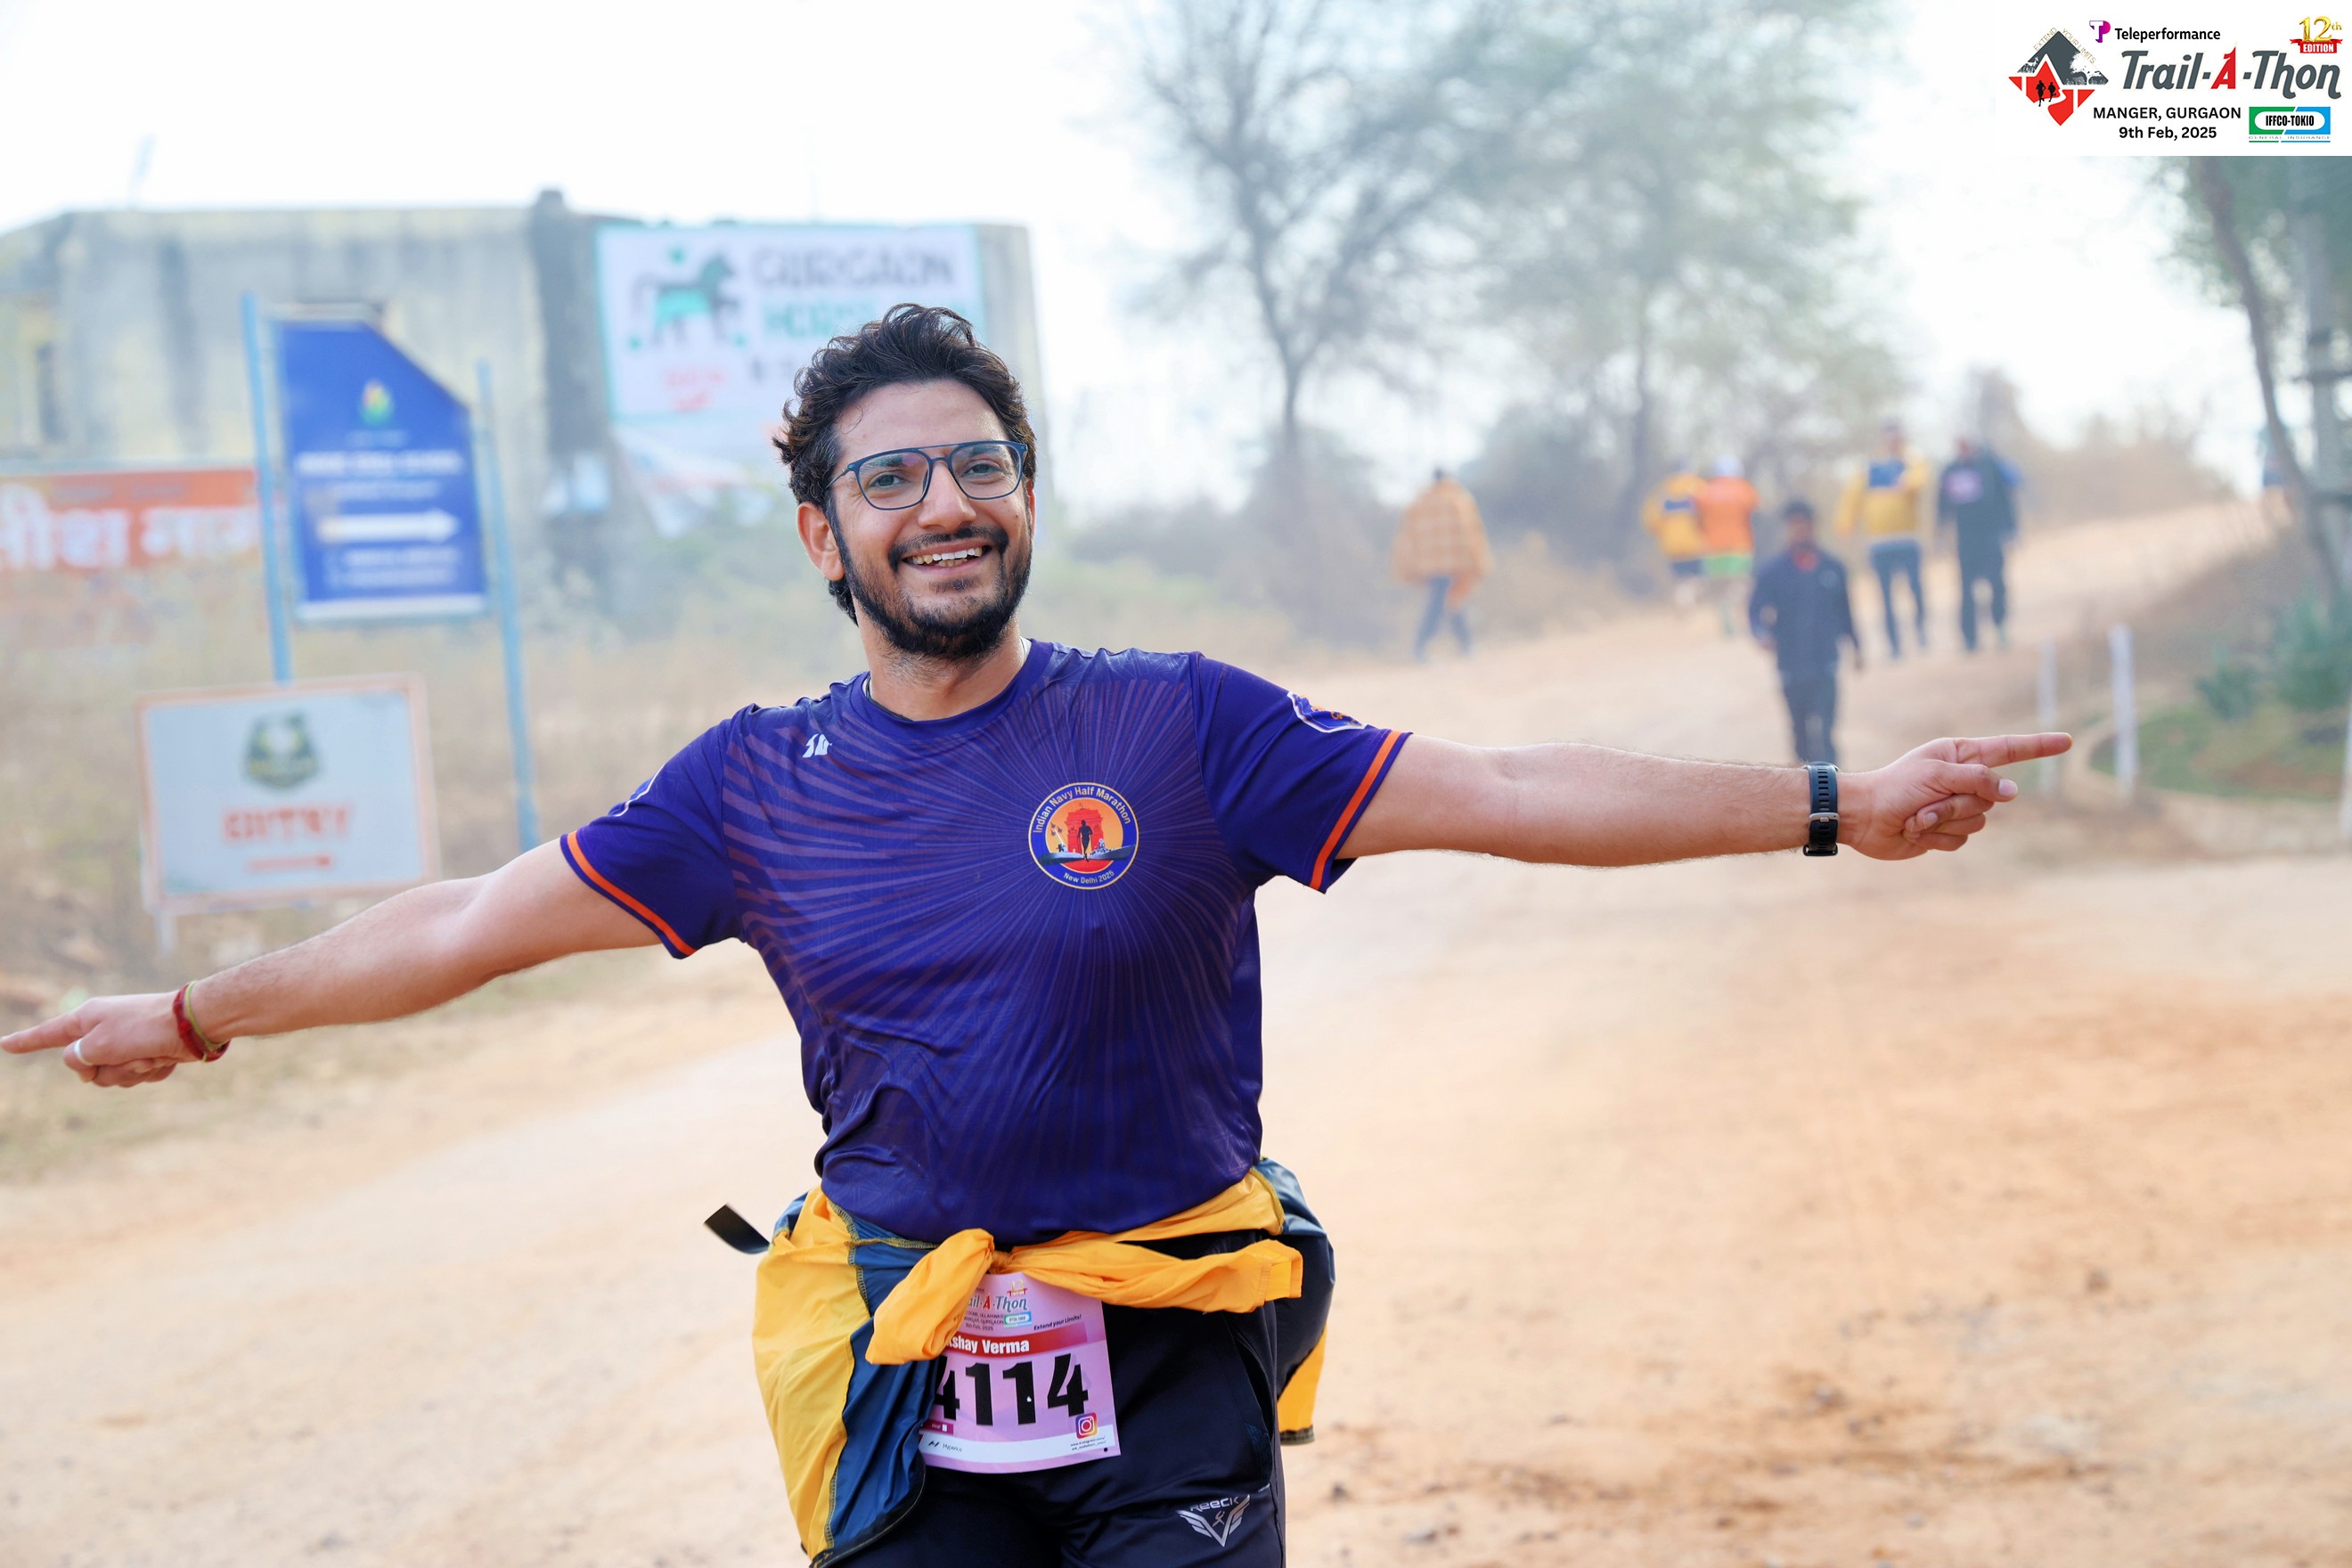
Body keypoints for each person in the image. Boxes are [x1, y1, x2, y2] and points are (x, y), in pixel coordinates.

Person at [4, 306, 2068, 1568]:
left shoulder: (1185, 726)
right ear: (823, 533)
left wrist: (1837, 801)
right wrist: (194, 1012)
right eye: (890, 474)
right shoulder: (749, 783)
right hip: (905, 1350)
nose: (944, 501)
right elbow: (467, 917)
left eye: (979, 462)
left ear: (1024, 497)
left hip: (1172, 1339)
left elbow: (1514, 789)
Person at [1750, 499, 1862, 766]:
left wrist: (1857, 648)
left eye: (1804, 524)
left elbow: (1846, 612)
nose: (1799, 530)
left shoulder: (1833, 567)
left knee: (1827, 731)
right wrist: (1761, 634)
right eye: (1793, 525)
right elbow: (1754, 610)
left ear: (1813, 526)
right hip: (1791, 663)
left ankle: (1834, 783)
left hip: (1825, 661)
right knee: (1799, 733)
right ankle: (1803, 784)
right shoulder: (1772, 572)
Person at [1835, 419, 1931, 658]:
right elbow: (1852, 497)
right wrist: (1845, 524)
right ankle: (1894, 644)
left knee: (1915, 589)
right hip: (1879, 542)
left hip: (1907, 538)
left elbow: (1919, 481)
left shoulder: (1912, 460)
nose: (1893, 441)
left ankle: (1921, 629)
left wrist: (1904, 483)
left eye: (1896, 436)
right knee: (1885, 596)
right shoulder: (1871, 466)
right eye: (1889, 436)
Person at [1392, 467, 1493, 659]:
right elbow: (1472, 531)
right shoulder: (1458, 499)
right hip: (1455, 563)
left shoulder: (1419, 502)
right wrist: (1478, 560)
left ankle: (1465, 646)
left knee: (1452, 602)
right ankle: (1421, 647)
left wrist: (1410, 565)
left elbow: (1408, 537)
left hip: (1429, 565)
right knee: (1441, 604)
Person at [1936, 436, 2020, 653]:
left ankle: (2000, 626)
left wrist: (2011, 529)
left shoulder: (1988, 466)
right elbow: (1942, 505)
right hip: (1966, 540)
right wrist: (1941, 535)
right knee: (1966, 590)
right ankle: (1970, 638)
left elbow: (2004, 498)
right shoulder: (1950, 471)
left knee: (1997, 584)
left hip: (1991, 536)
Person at [1693, 455, 1760, 636]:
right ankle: (1742, 622)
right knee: (1740, 585)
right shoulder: (1744, 489)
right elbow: (1754, 511)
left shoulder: (1704, 491)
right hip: (1739, 546)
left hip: (1712, 548)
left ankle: (1727, 626)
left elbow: (1696, 516)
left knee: (1720, 589)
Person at [1640, 458, 1708, 608]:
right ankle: (1685, 600)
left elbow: (1650, 520)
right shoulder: (1699, 488)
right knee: (1699, 580)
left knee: (1680, 579)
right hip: (1695, 543)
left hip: (1670, 545)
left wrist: (1663, 532)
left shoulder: (1662, 491)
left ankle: (1682, 602)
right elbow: (1709, 514)